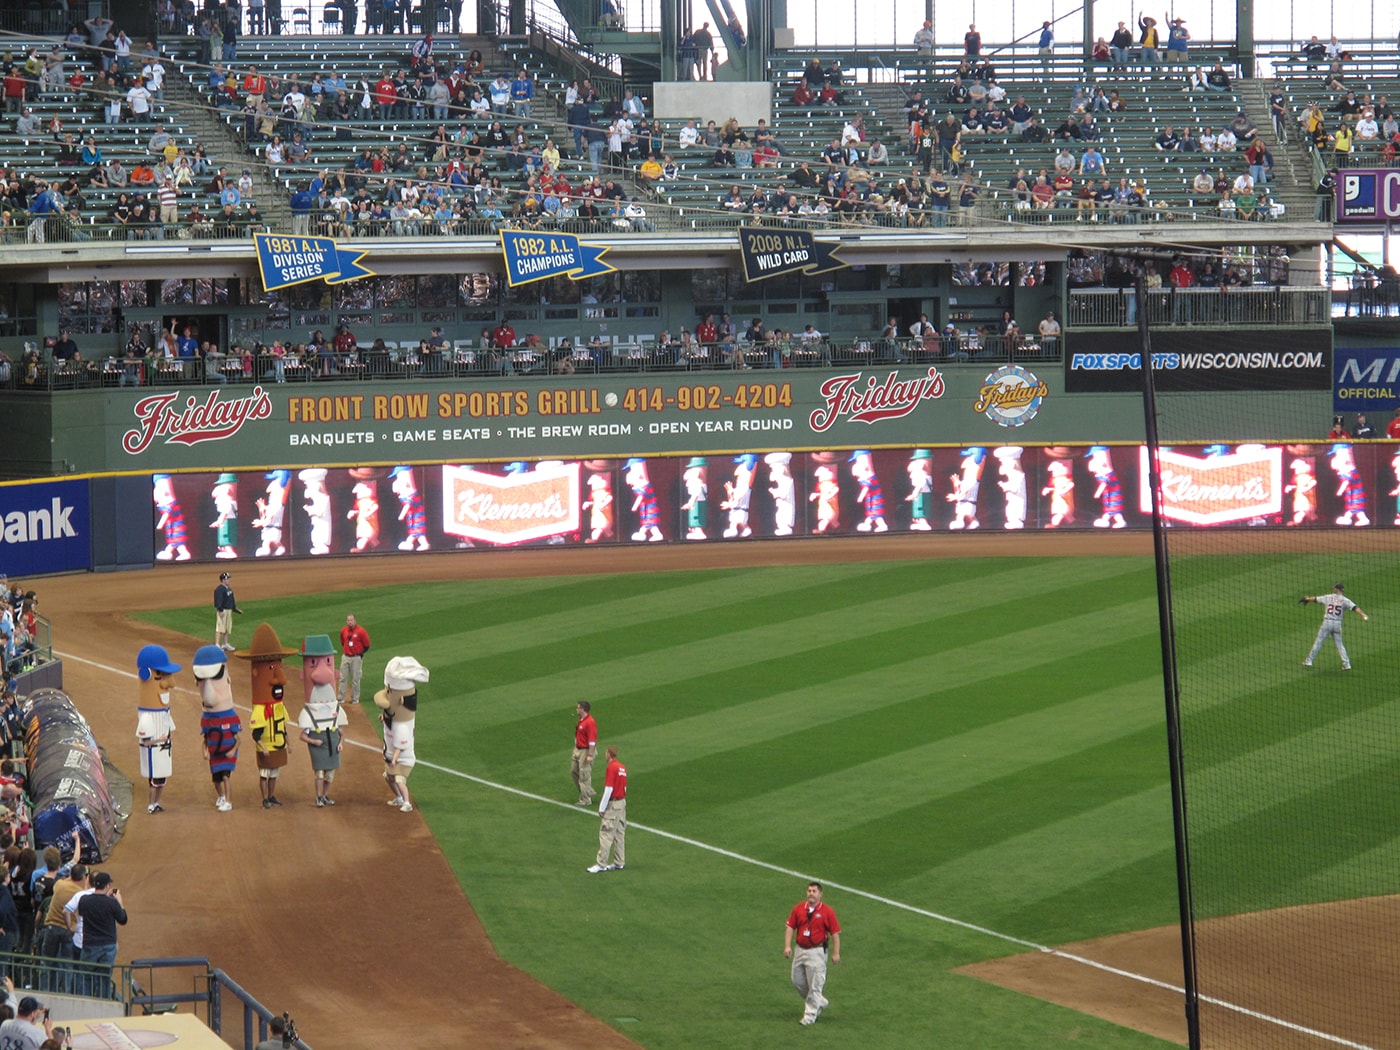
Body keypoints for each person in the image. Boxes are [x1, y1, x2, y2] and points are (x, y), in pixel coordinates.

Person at [296, 634, 347, 808]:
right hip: (319, 743)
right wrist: (313, 741)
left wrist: (341, 742)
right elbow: (302, 735)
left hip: (332, 741)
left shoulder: (336, 710)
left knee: (330, 774)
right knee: (319, 773)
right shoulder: (309, 713)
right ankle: (318, 796)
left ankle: (325, 795)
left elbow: (341, 731)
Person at [784, 881, 841, 1026]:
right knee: (797, 980)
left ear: (820, 894)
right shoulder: (798, 909)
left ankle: (809, 1016)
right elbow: (790, 927)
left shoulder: (827, 912)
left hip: (816, 952)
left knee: (815, 985)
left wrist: (836, 953)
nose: (811, 893)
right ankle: (819, 1001)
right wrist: (787, 946)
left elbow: (835, 933)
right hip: (800, 950)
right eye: (809, 891)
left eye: (814, 891)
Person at [75, 872, 125, 999]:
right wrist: (119, 903)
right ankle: (103, 1005)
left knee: (86, 977)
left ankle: (85, 1003)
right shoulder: (112, 903)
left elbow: (83, 911)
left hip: (89, 945)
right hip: (108, 946)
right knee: (104, 979)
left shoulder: (84, 900)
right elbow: (123, 919)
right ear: (107, 886)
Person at [1301, 583, 1368, 670]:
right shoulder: (1345, 600)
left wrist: (1307, 598)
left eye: (1334, 588)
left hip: (1327, 623)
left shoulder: (1329, 597)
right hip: (1337, 624)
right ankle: (1346, 664)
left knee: (1318, 641)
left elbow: (1316, 599)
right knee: (1339, 645)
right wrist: (1363, 615)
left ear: (1337, 589)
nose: (1333, 589)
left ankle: (1309, 661)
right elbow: (1355, 608)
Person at [587, 745, 626, 872]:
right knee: (619, 833)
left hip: (614, 805)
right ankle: (619, 862)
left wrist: (602, 808)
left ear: (609, 754)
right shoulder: (622, 768)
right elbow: (624, 788)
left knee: (606, 833)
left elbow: (608, 789)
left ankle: (601, 864)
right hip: (622, 803)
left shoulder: (612, 768)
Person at [337, 614, 370, 706]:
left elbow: (367, 645)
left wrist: (359, 654)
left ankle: (355, 698)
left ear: (355, 621)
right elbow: (342, 642)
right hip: (346, 657)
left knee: (355, 679)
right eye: (348, 620)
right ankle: (341, 698)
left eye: (351, 620)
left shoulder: (361, 631)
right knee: (343, 678)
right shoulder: (343, 631)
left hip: (356, 658)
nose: (350, 622)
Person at [572, 701, 597, 807]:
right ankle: (587, 791)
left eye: (578, 708)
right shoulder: (582, 720)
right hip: (578, 749)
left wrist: (590, 755)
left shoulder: (590, 722)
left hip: (586, 750)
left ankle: (586, 799)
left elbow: (592, 740)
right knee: (574, 771)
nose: (576, 709)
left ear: (583, 709)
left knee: (584, 774)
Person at [213, 571, 242, 652]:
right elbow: (218, 601)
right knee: (220, 627)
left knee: (226, 628)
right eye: (227, 579)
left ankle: (225, 644)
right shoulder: (219, 589)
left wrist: (235, 609)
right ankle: (217, 644)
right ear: (223, 580)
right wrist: (220, 610)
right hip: (223, 611)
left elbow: (231, 600)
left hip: (229, 610)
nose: (229, 580)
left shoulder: (229, 589)